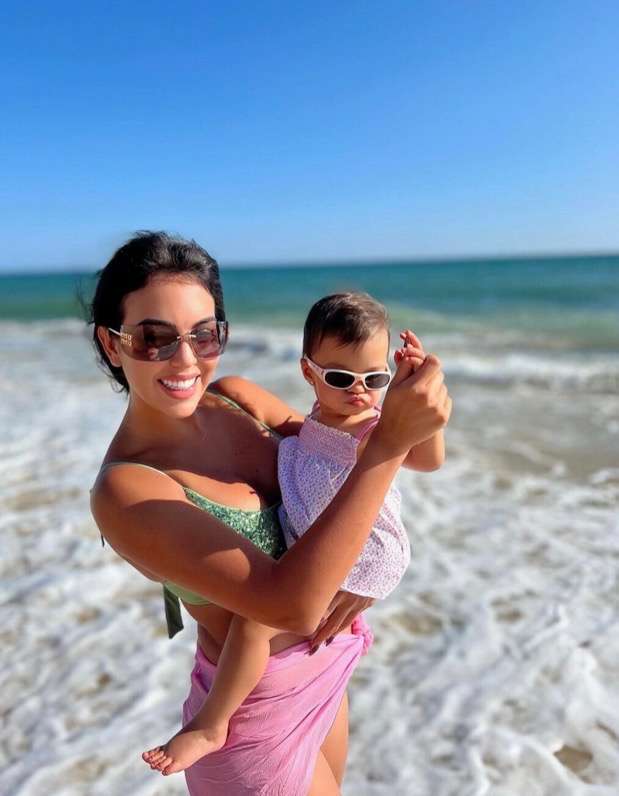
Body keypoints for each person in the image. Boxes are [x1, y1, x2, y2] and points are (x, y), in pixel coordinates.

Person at [89, 232, 451, 795]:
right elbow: (292, 605)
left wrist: (407, 412)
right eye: (154, 338)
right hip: (249, 718)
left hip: (325, 670)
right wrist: (388, 446)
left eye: (204, 334)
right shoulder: (128, 489)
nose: (186, 359)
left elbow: (337, 457)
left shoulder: (238, 399)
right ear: (112, 345)